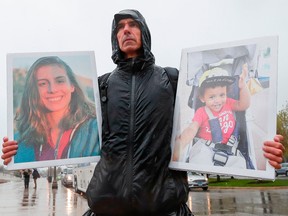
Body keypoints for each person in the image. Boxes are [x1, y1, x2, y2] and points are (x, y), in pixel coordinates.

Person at [2, 9, 285, 216]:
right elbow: (64, 131)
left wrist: (265, 151)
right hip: (107, 207)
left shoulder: (172, 79)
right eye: (119, 27)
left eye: (132, 24)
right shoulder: (101, 85)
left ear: (144, 32)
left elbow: (225, 116)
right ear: (114, 38)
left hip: (164, 208)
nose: (125, 30)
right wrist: (18, 149)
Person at [3, 56, 100, 163]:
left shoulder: (97, 130)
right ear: (33, 91)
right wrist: (12, 161)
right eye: (43, 83)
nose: (52, 90)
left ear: (72, 86)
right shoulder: (20, 140)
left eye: (59, 81)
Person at [172, 65, 250, 168]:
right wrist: (181, 143)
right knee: (199, 160)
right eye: (212, 97)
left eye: (222, 95)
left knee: (240, 164)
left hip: (229, 149)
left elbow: (244, 105)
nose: (217, 100)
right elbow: (192, 128)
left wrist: (243, 87)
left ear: (227, 93)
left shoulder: (229, 104)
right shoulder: (201, 112)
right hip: (206, 147)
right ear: (202, 98)